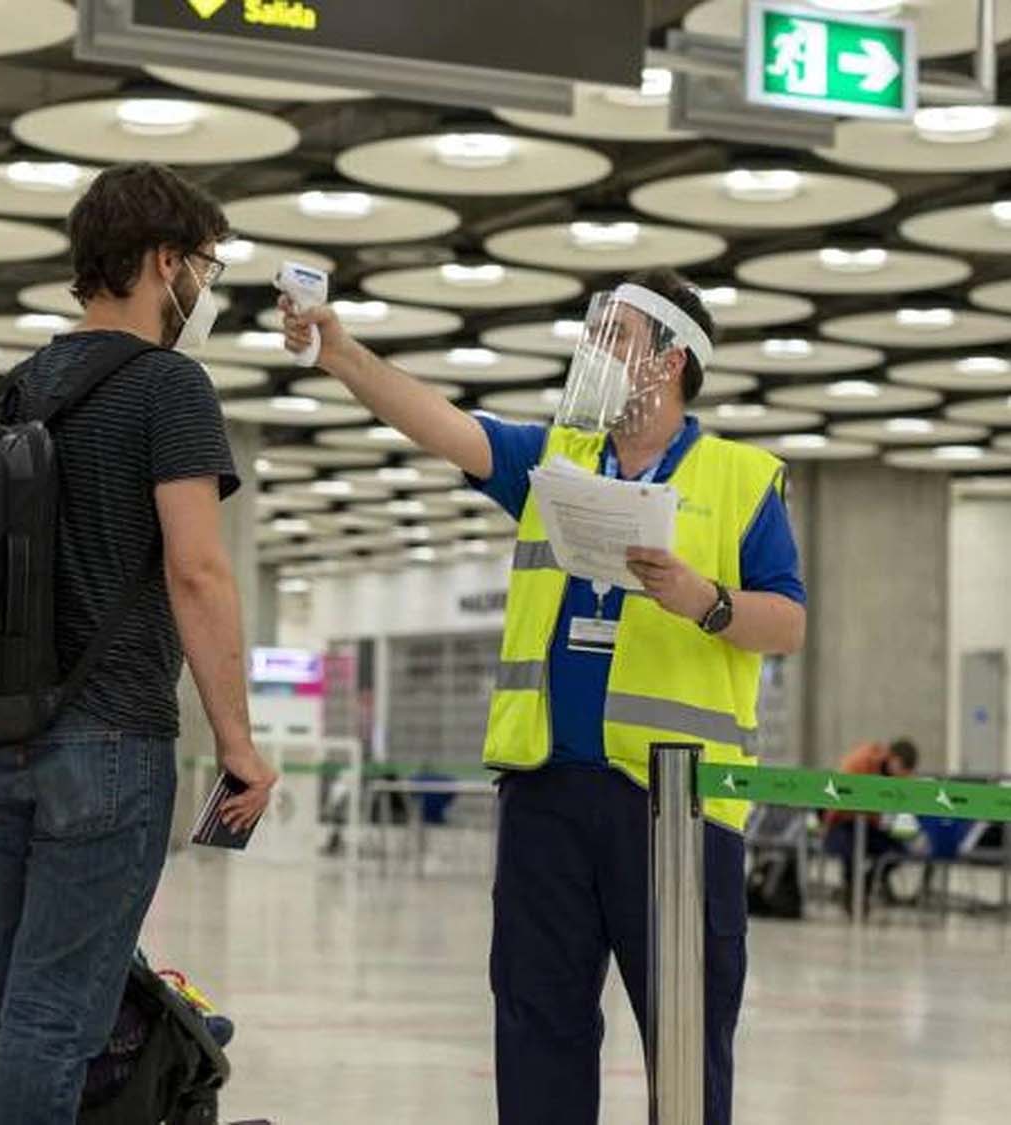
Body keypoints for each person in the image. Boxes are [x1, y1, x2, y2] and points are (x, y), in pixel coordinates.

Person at [281, 268, 808, 1125]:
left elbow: (785, 621)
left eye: (616, 338)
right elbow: (448, 427)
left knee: (685, 1042)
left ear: (671, 359)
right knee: (536, 1029)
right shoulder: (556, 462)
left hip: (675, 812)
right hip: (545, 796)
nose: (592, 353)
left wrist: (704, 599)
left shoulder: (742, 480)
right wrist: (339, 353)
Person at [0, 162, 278, 1125]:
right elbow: (197, 569)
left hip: (1, 735)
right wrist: (237, 743)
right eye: (204, 263)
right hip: (110, 738)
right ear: (164, 262)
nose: (206, 285)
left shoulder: (22, 386)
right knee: (54, 1017)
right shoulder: (170, 387)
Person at [824, 738, 919, 910]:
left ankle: (863, 887)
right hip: (842, 822)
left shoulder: (897, 776)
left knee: (898, 852)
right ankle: (852, 891)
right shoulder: (861, 762)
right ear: (892, 757)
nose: (901, 776)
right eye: (901, 769)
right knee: (849, 851)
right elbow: (838, 798)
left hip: (870, 825)